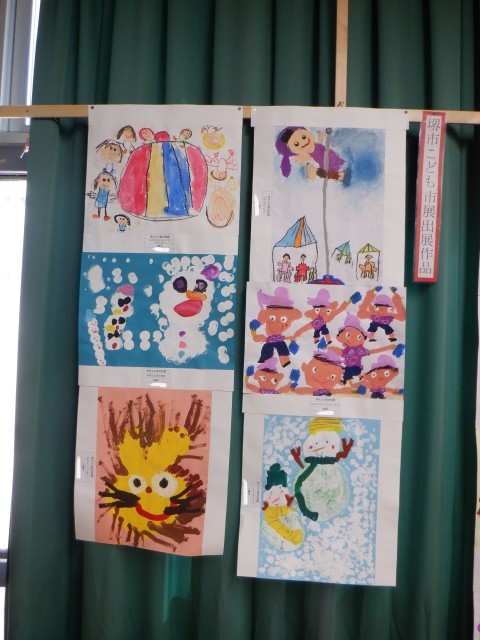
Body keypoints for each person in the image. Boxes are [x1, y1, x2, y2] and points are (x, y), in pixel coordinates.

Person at [275, 126, 345, 181]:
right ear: (292, 151)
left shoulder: (316, 145)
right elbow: (311, 171)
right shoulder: (304, 157)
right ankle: (336, 176)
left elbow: (320, 143)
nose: (303, 142)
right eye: (296, 144)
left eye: (303, 137)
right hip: (328, 167)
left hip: (334, 159)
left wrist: (322, 135)